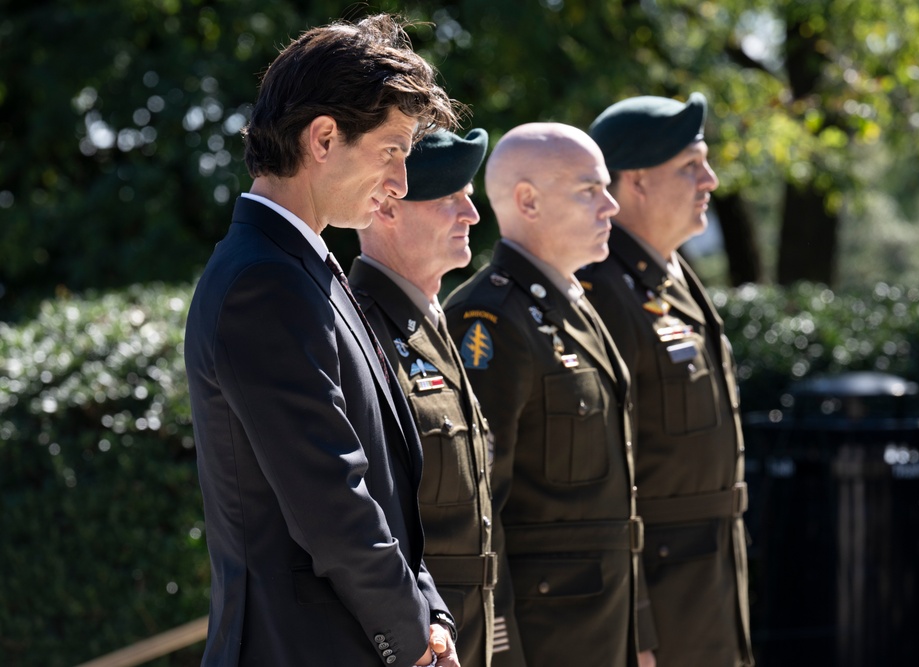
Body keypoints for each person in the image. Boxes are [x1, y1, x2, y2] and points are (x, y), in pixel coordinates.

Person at [184, 15, 463, 666]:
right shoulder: (264, 281)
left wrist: (430, 612)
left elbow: (382, 485)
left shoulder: (303, 267)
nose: (399, 180)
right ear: (325, 138)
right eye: (391, 150)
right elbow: (333, 503)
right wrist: (415, 637)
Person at [444, 123, 654, 667]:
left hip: (604, 630)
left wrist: (642, 634)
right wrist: (500, 650)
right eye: (590, 190)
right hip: (544, 640)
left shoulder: (578, 306)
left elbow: (616, 509)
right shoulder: (488, 320)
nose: (610, 206)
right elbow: (479, 513)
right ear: (527, 201)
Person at [578, 93, 754, 667]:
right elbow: (600, 486)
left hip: (708, 585)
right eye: (689, 166)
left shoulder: (671, 277)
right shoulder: (602, 289)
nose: (711, 179)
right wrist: (638, 625)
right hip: (659, 593)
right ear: (636, 182)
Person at [347, 128, 502, 667]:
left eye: (470, 196)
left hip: (467, 625)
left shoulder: (431, 321)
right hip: (423, 638)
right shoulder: (360, 327)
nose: (472, 214)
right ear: (387, 207)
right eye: (450, 199)